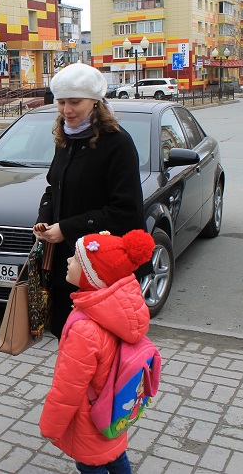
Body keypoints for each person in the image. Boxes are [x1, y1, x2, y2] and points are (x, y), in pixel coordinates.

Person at [33, 62, 145, 340]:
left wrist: (66, 228)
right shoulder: (66, 139)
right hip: (68, 266)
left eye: (75, 102)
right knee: (68, 337)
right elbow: (53, 188)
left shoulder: (118, 143)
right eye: (61, 102)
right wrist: (44, 220)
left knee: (96, 345)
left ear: (95, 101)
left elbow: (126, 211)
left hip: (101, 270)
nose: (66, 110)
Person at [39, 229, 155, 474]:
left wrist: (51, 426)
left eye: (76, 259)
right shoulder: (119, 310)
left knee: (90, 465)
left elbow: (68, 387)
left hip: (89, 417)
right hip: (114, 407)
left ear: (93, 276)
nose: (68, 260)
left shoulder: (85, 328)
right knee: (114, 454)